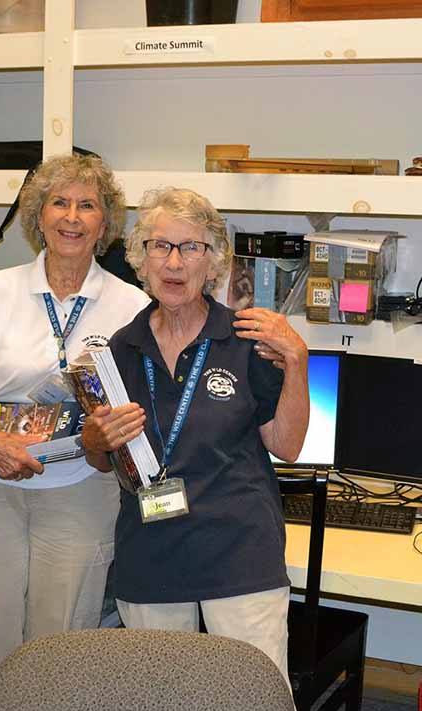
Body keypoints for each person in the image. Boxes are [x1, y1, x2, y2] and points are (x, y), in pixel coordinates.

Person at [80, 187, 310, 680]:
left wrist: (297, 360)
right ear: (141, 259)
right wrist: (94, 442)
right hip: (152, 556)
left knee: (253, 702)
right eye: (160, 246)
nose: (174, 262)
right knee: (162, 702)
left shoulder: (247, 340)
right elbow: (106, 460)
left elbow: (287, 447)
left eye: (191, 248)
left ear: (214, 262)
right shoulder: (121, 349)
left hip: (239, 556)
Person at [0, 154, 150, 672]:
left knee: (60, 646)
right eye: (59, 203)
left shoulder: (131, 305)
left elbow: (137, 410)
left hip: (81, 489)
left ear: (105, 225)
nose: (71, 217)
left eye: (87, 206)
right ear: (39, 216)